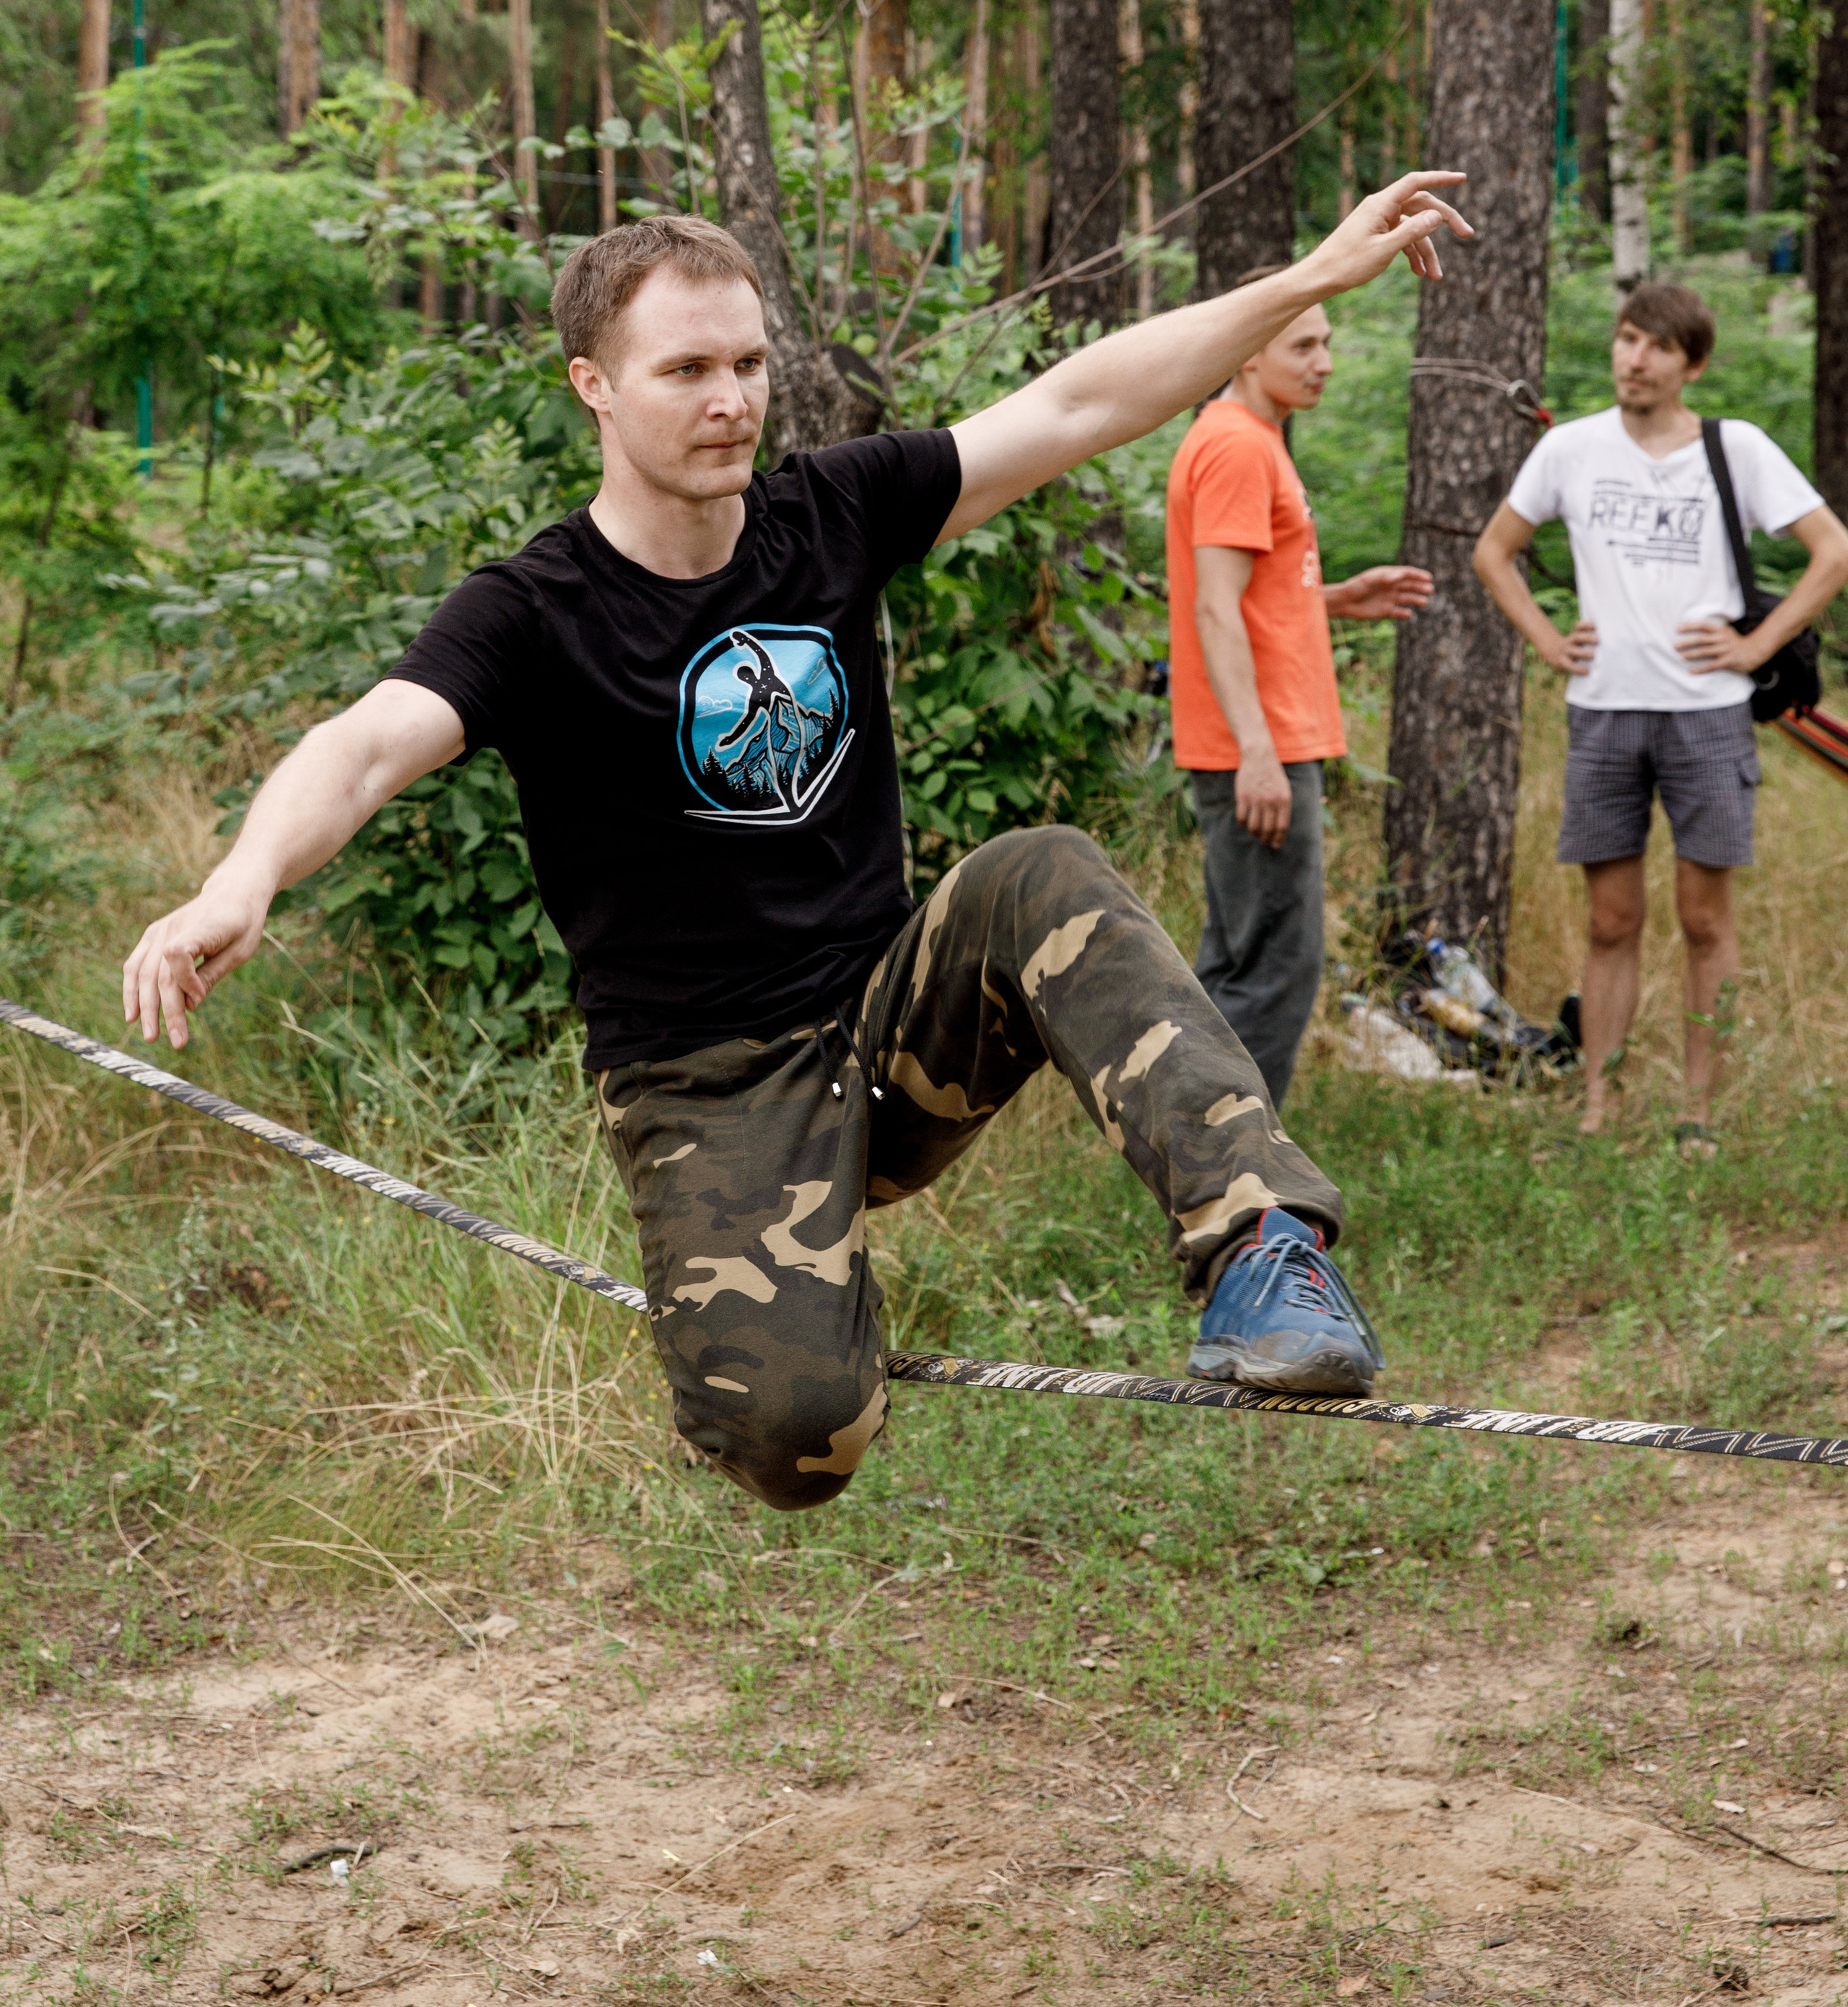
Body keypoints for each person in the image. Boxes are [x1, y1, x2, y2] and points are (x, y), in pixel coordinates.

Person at [121, 173, 1470, 1508]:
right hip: (706, 1083)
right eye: (686, 370)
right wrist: (242, 877)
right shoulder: (535, 612)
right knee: (802, 1444)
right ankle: (785, 1310)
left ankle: (1260, 1246)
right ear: (594, 385)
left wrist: (1309, 279)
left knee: (1042, 872)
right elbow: (363, 747)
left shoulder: (830, 512)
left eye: (750, 363)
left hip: (888, 1027)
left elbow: (1074, 405)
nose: (731, 400)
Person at [1473, 280, 1848, 1143]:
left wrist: (1756, 647)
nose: (1634, 360)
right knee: (1611, 921)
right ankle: (1598, 1108)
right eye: (1626, 340)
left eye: (1657, 347)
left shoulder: (1735, 449)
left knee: (1703, 918)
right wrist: (1547, 640)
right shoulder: (1570, 448)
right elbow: (1495, 552)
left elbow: (1831, 551)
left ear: (1692, 365)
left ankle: (1696, 1114)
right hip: (1604, 711)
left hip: (1706, 715)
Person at [1166, 292, 1432, 1112]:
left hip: (1264, 740)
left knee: (1240, 963)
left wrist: (1336, 598)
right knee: (1275, 969)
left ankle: (1196, 1153)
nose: (1325, 363)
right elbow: (1213, 609)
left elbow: (1244, 596)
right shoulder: (1238, 447)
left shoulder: (1251, 438)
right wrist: (1257, 751)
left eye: (1326, 343)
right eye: (1303, 346)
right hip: (1259, 746)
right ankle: (1234, 1170)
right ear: (1249, 349)